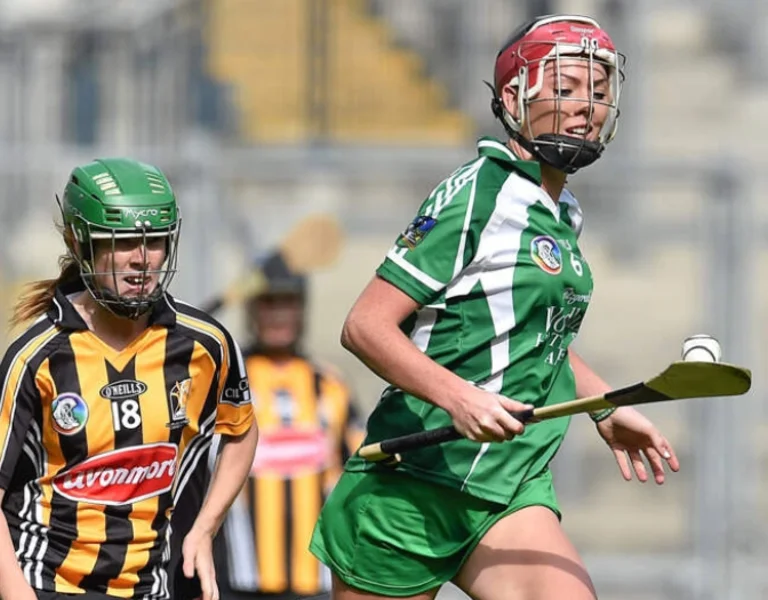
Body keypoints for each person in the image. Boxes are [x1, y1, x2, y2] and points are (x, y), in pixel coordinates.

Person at [309, 14, 680, 600]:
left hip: (510, 483)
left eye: (600, 92)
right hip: (414, 485)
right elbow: (365, 326)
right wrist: (460, 397)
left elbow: (540, 334)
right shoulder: (479, 194)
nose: (587, 107)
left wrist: (604, 407)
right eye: (564, 89)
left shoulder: (561, 211)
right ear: (513, 98)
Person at [0, 158, 259, 600]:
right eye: (120, 243)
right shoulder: (37, 358)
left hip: (152, 588)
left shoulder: (205, 345)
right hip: (48, 584)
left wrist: (204, 529)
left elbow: (241, 430)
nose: (142, 260)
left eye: (155, 241)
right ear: (79, 244)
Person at [210, 252, 364, 600]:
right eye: (267, 303)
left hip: (315, 580)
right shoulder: (222, 381)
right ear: (251, 310)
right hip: (238, 578)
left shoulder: (331, 384)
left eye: (288, 302)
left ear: (302, 310)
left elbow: (360, 467)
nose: (279, 314)